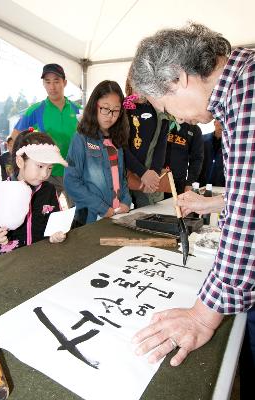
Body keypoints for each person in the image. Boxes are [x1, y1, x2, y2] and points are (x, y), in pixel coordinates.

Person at [130, 22, 255, 388]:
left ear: (180, 78)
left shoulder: (247, 90)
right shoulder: (241, 81)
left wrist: (202, 316)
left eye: (168, 108)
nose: (177, 120)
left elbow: (249, 216)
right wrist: (214, 200)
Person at [0, 129, 67, 256]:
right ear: (20, 161)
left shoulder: (49, 190)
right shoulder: (0, 191)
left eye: (50, 168)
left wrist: (55, 235)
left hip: (42, 256)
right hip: (10, 260)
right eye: (40, 166)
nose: (45, 174)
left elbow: (55, 222)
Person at [11, 63, 81, 206]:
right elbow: (15, 136)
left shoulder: (78, 109)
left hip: (74, 172)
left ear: (65, 83)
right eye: (47, 82)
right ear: (43, 84)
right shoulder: (36, 110)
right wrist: (22, 164)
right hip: (47, 173)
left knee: (78, 215)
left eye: (56, 81)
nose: (52, 86)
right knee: (45, 214)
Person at [64, 80, 131, 225]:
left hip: (117, 215)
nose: (110, 115)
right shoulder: (80, 139)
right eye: (105, 108)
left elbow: (121, 177)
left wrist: (126, 201)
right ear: (95, 105)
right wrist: (101, 208)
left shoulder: (117, 140)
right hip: (91, 217)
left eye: (116, 110)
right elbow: (71, 182)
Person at [123, 78, 168, 207]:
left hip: (149, 179)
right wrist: (141, 172)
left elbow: (161, 146)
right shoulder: (122, 109)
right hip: (126, 176)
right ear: (130, 83)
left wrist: (153, 174)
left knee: (148, 216)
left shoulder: (159, 110)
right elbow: (120, 145)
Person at [164, 121, 203, 195]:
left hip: (179, 182)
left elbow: (197, 158)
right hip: (158, 177)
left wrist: (190, 183)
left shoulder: (194, 129)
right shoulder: (164, 122)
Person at [199, 120, 225, 187]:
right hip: (201, 183)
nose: (222, 125)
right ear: (214, 123)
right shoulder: (202, 139)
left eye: (225, 122)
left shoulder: (230, 144)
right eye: (220, 121)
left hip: (221, 184)